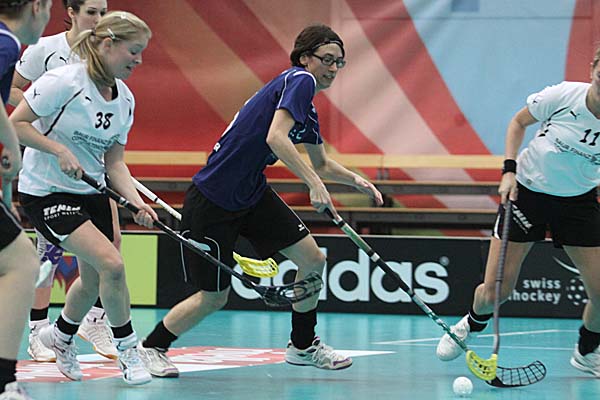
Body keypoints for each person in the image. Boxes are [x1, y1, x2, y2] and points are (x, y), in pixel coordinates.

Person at [136, 23, 383, 378]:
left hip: (251, 192)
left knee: (312, 259)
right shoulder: (300, 79)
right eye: (327, 59)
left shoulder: (306, 108)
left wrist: (356, 180)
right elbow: (276, 138)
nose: (333, 68)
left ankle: (302, 345)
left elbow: (322, 163)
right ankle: (152, 346)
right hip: (213, 198)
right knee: (214, 297)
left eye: (339, 62)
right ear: (305, 58)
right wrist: (314, 185)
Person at [436, 46, 600, 377]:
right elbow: (518, 122)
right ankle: (471, 322)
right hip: (528, 193)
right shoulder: (565, 95)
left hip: (578, 201)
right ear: (593, 69)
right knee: (497, 291)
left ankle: (586, 351)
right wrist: (508, 170)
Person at [10, 10, 153, 385]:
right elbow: (16, 125)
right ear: (107, 45)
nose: (139, 60)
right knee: (113, 264)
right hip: (46, 191)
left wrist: (136, 201)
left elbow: (115, 163)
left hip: (90, 190)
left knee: (91, 282)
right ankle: (129, 351)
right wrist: (57, 149)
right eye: (133, 51)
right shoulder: (63, 81)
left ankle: (60, 336)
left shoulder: (125, 100)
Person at [9, 0, 117, 364]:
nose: (98, 19)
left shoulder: (107, 52)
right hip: (51, 165)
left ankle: (94, 320)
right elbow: (12, 88)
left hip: (91, 164)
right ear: (70, 12)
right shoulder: (45, 49)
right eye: (91, 12)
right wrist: (44, 109)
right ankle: (38, 329)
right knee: (49, 253)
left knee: (112, 243)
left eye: (103, 12)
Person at [0, 1, 52, 398]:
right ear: (36, 7)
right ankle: (4, 382)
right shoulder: (5, 44)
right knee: (21, 261)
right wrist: (13, 150)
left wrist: (10, 150)